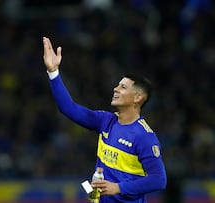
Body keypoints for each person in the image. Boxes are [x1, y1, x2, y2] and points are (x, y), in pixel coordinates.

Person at [42, 36, 167, 203]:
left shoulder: (144, 136)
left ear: (138, 97)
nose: (115, 89)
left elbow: (159, 179)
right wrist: (53, 72)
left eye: (122, 87)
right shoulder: (105, 121)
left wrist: (118, 188)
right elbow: (68, 108)